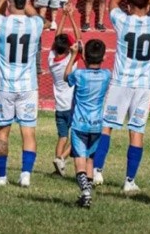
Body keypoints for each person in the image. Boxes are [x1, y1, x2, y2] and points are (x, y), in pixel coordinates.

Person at [91, 0, 150, 195]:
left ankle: (97, 170)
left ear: (129, 7)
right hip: (143, 85)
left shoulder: (123, 21)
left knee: (107, 127)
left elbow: (113, 2)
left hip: (121, 82)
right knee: (137, 132)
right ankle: (129, 180)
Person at [0, 0, 43, 188]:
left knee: (2, 132)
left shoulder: (2, 23)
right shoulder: (35, 24)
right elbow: (35, 14)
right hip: (28, 85)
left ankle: (1, 177)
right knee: (28, 131)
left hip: (4, 84)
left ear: (10, 2)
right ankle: (26, 174)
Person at [64, 38, 111, 208]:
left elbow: (66, 77)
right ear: (103, 57)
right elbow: (93, 65)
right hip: (97, 124)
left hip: (80, 124)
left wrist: (73, 56)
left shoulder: (79, 74)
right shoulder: (107, 75)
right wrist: (85, 55)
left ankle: (85, 192)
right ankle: (87, 193)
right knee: (90, 159)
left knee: (80, 160)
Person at [47, 5, 82, 177]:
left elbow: (56, 38)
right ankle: (61, 158)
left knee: (62, 136)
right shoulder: (72, 58)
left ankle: (57, 167)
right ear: (69, 48)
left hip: (59, 105)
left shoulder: (51, 59)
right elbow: (79, 38)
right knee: (77, 136)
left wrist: (62, 17)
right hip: (72, 104)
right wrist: (71, 17)